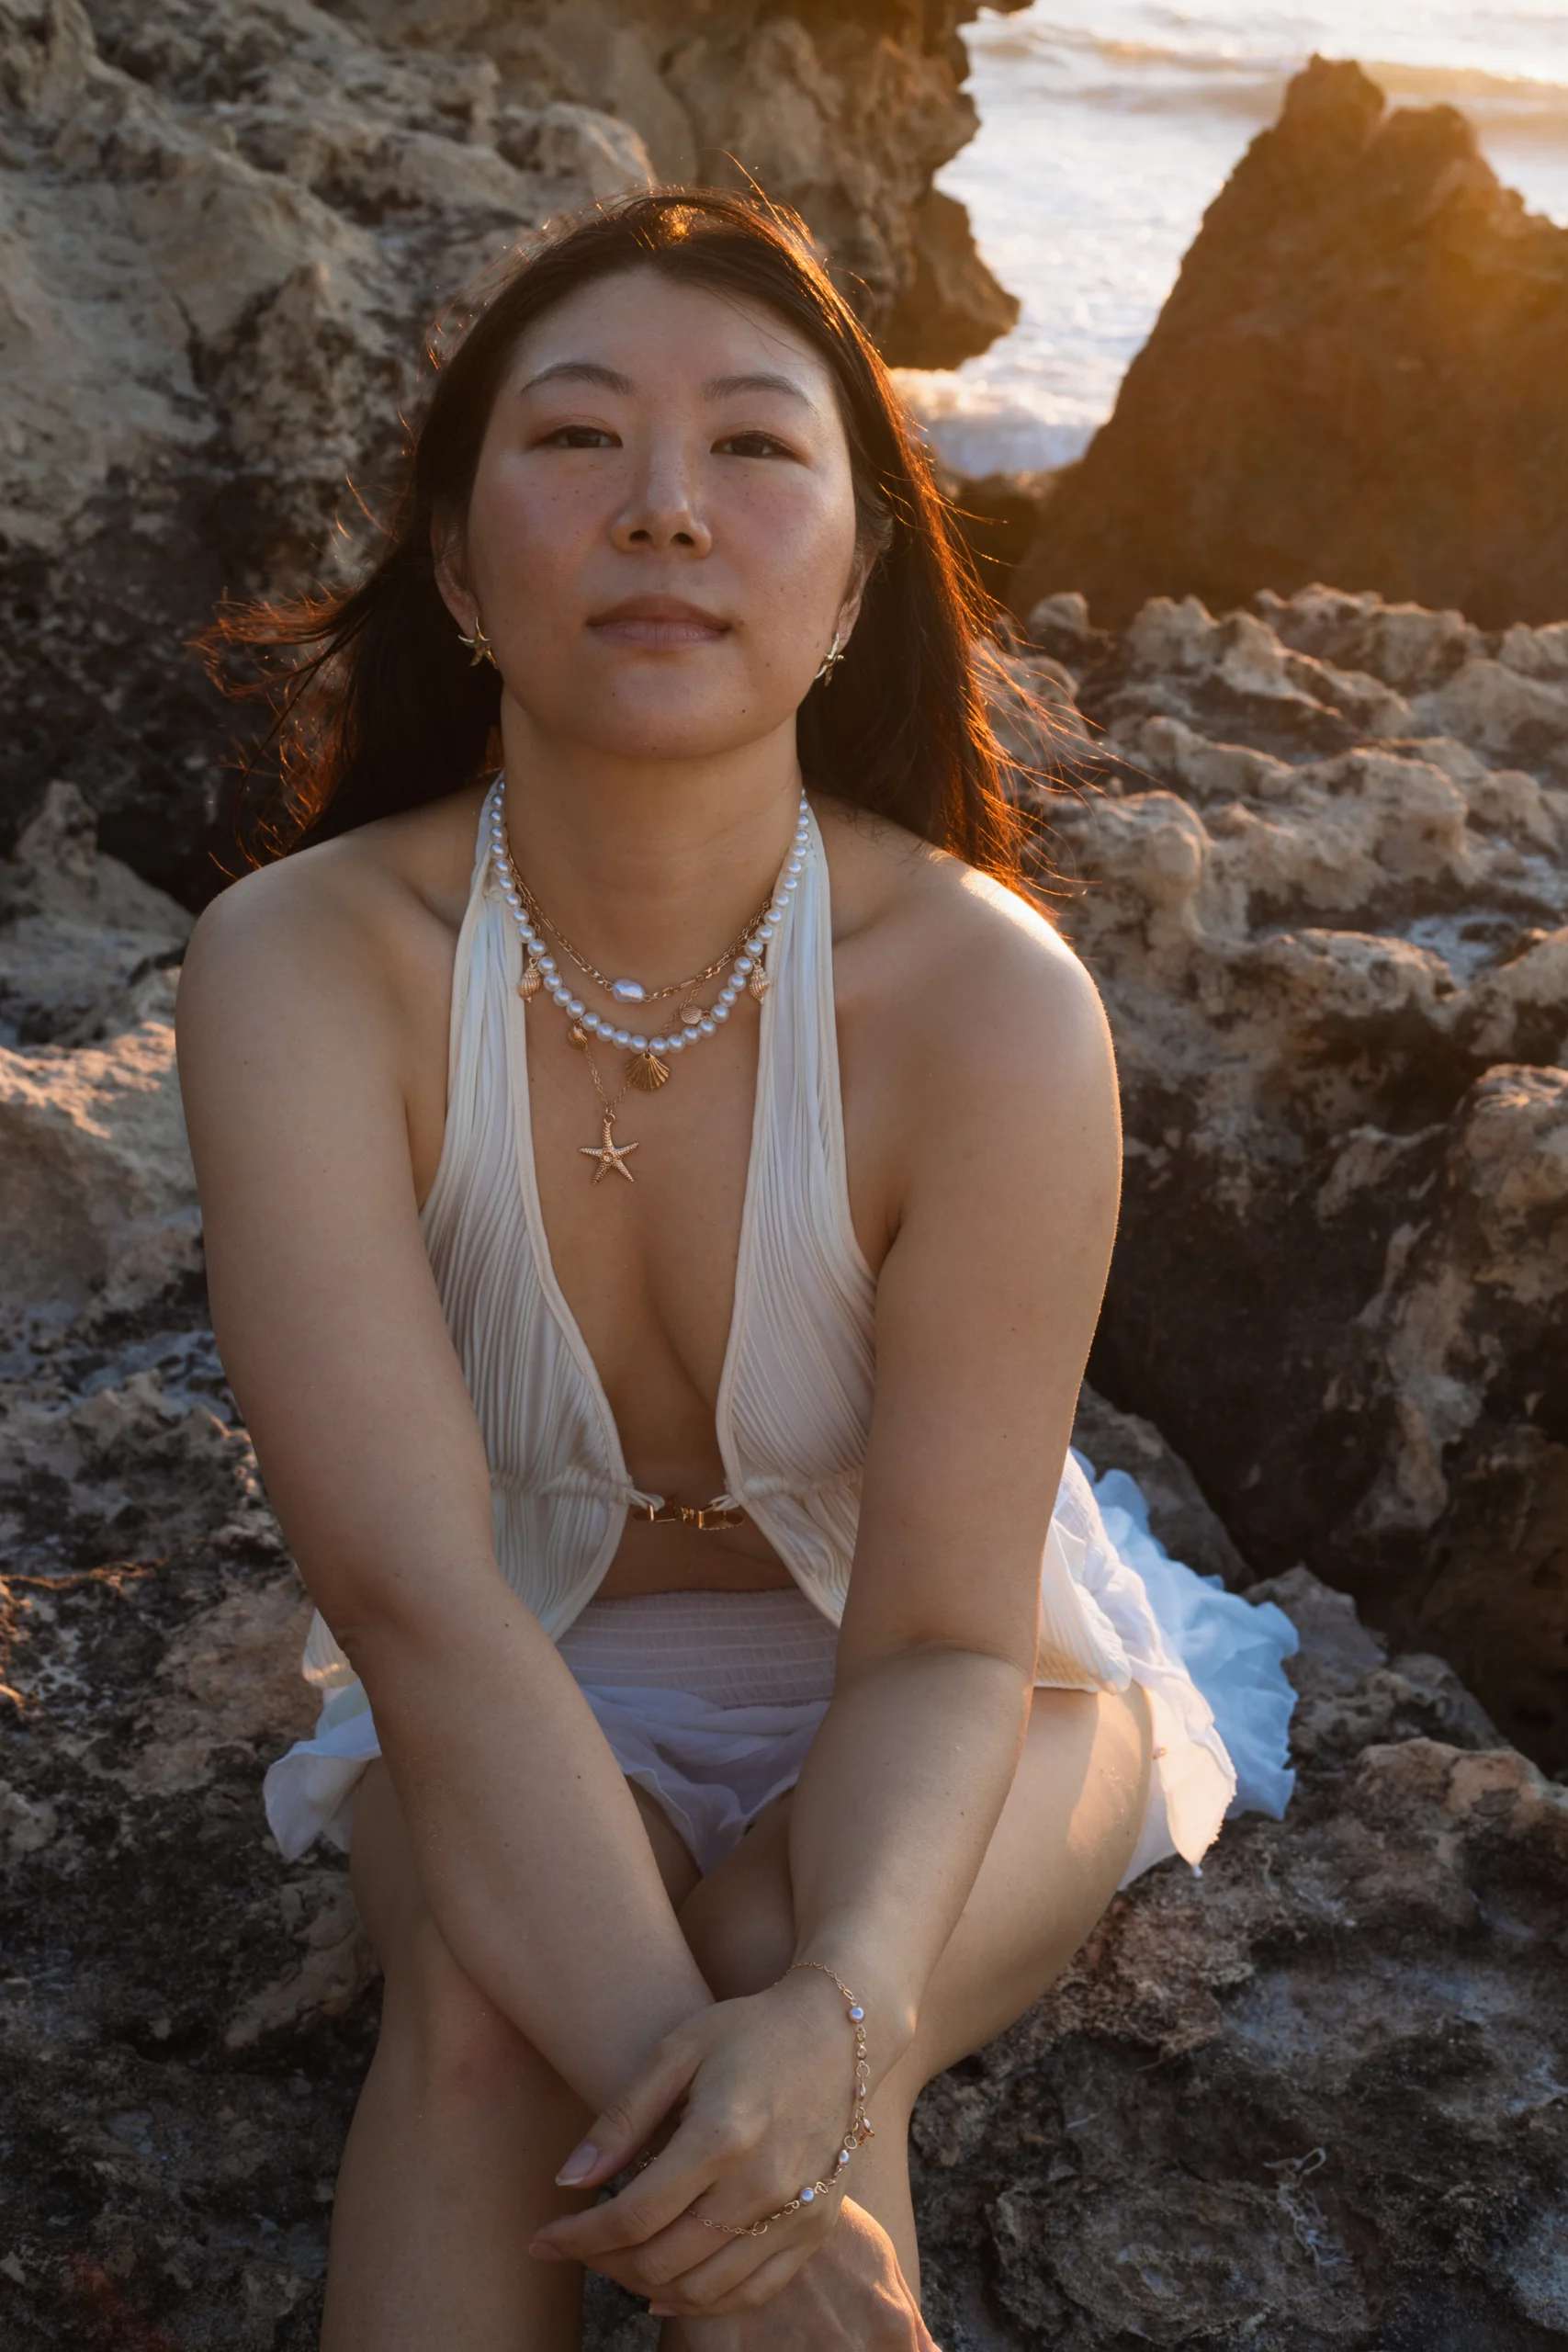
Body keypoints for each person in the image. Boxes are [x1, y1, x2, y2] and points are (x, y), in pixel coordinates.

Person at [176, 189, 1296, 2352]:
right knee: (492, 2054)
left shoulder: (987, 1002)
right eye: (578, 440)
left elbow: (952, 1635)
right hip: (507, 1668)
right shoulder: (305, 967)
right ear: (453, 560)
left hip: (963, 1683)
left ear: (860, 578)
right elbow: (419, 1599)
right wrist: (753, 2215)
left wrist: (837, 2024)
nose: (667, 510)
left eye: (758, 449)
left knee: (800, 1994)